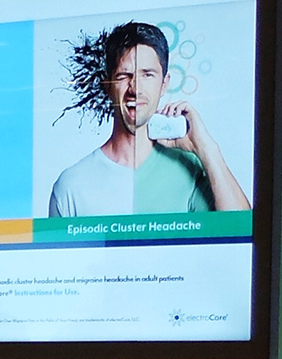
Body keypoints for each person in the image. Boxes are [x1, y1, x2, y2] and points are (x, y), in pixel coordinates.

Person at [46, 19, 249, 216]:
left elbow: (242, 229)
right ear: (108, 86)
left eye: (147, 74)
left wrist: (207, 149)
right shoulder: (71, 186)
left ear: (164, 84)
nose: (135, 89)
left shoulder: (190, 170)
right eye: (124, 76)